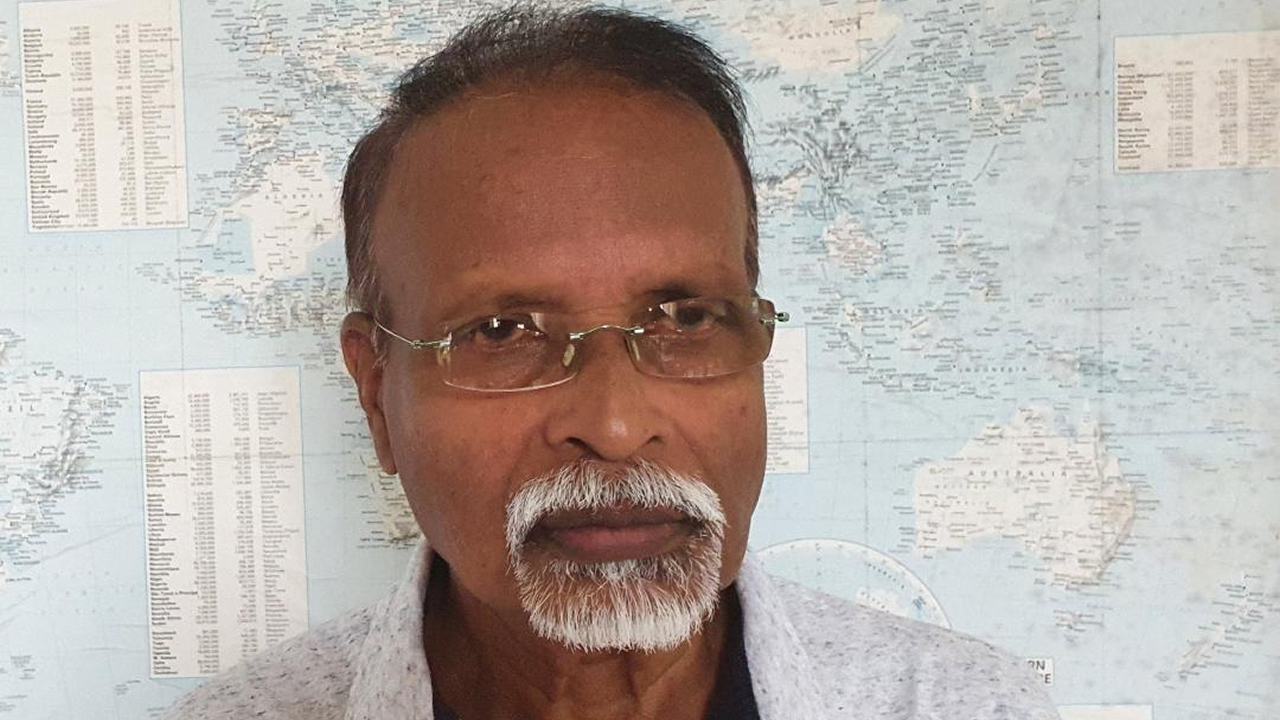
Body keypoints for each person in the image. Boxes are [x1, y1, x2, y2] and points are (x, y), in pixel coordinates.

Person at [163, 5, 1059, 719]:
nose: (617, 425)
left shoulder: (967, 706)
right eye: (502, 332)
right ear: (375, 393)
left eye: (687, 318)